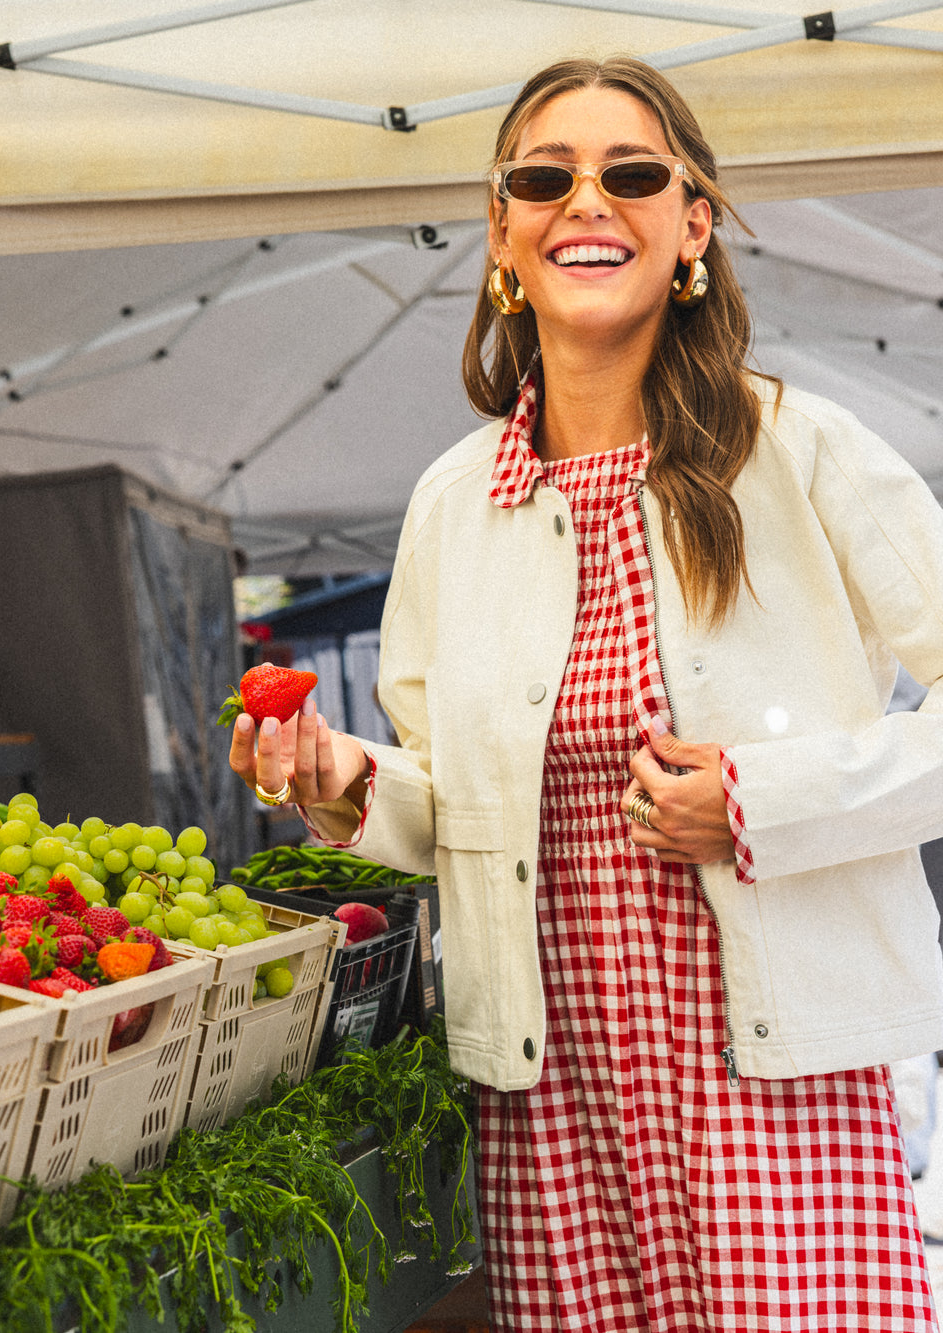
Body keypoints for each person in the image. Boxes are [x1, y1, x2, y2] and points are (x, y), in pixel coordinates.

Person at [230, 55, 943, 1331]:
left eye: (630, 174)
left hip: (776, 1083)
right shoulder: (457, 504)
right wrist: (346, 784)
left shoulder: (801, 451)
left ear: (693, 225)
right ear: (501, 230)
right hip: (553, 1103)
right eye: (544, 177)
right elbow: (450, 799)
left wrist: (764, 803)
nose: (586, 200)